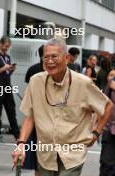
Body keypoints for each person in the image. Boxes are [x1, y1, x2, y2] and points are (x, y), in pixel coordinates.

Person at [12, 38, 113, 175]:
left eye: (54, 56)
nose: (49, 61)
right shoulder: (36, 82)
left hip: (72, 156)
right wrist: (21, 143)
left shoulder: (83, 83)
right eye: (46, 57)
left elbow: (108, 106)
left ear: (66, 58)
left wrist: (96, 133)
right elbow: (30, 116)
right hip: (45, 154)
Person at [0, 36, 20, 142]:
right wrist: (4, 68)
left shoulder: (7, 57)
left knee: (11, 109)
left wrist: (11, 70)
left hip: (7, 86)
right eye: (6, 46)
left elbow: (6, 73)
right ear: (1, 44)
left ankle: (17, 135)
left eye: (8, 47)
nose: (7, 48)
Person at [23, 44, 44, 176]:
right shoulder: (35, 70)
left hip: (34, 113)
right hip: (38, 115)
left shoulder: (32, 69)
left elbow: (27, 91)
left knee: (37, 155)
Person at [99, 68, 115, 176]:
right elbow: (103, 105)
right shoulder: (111, 83)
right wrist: (97, 128)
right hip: (110, 129)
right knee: (106, 164)